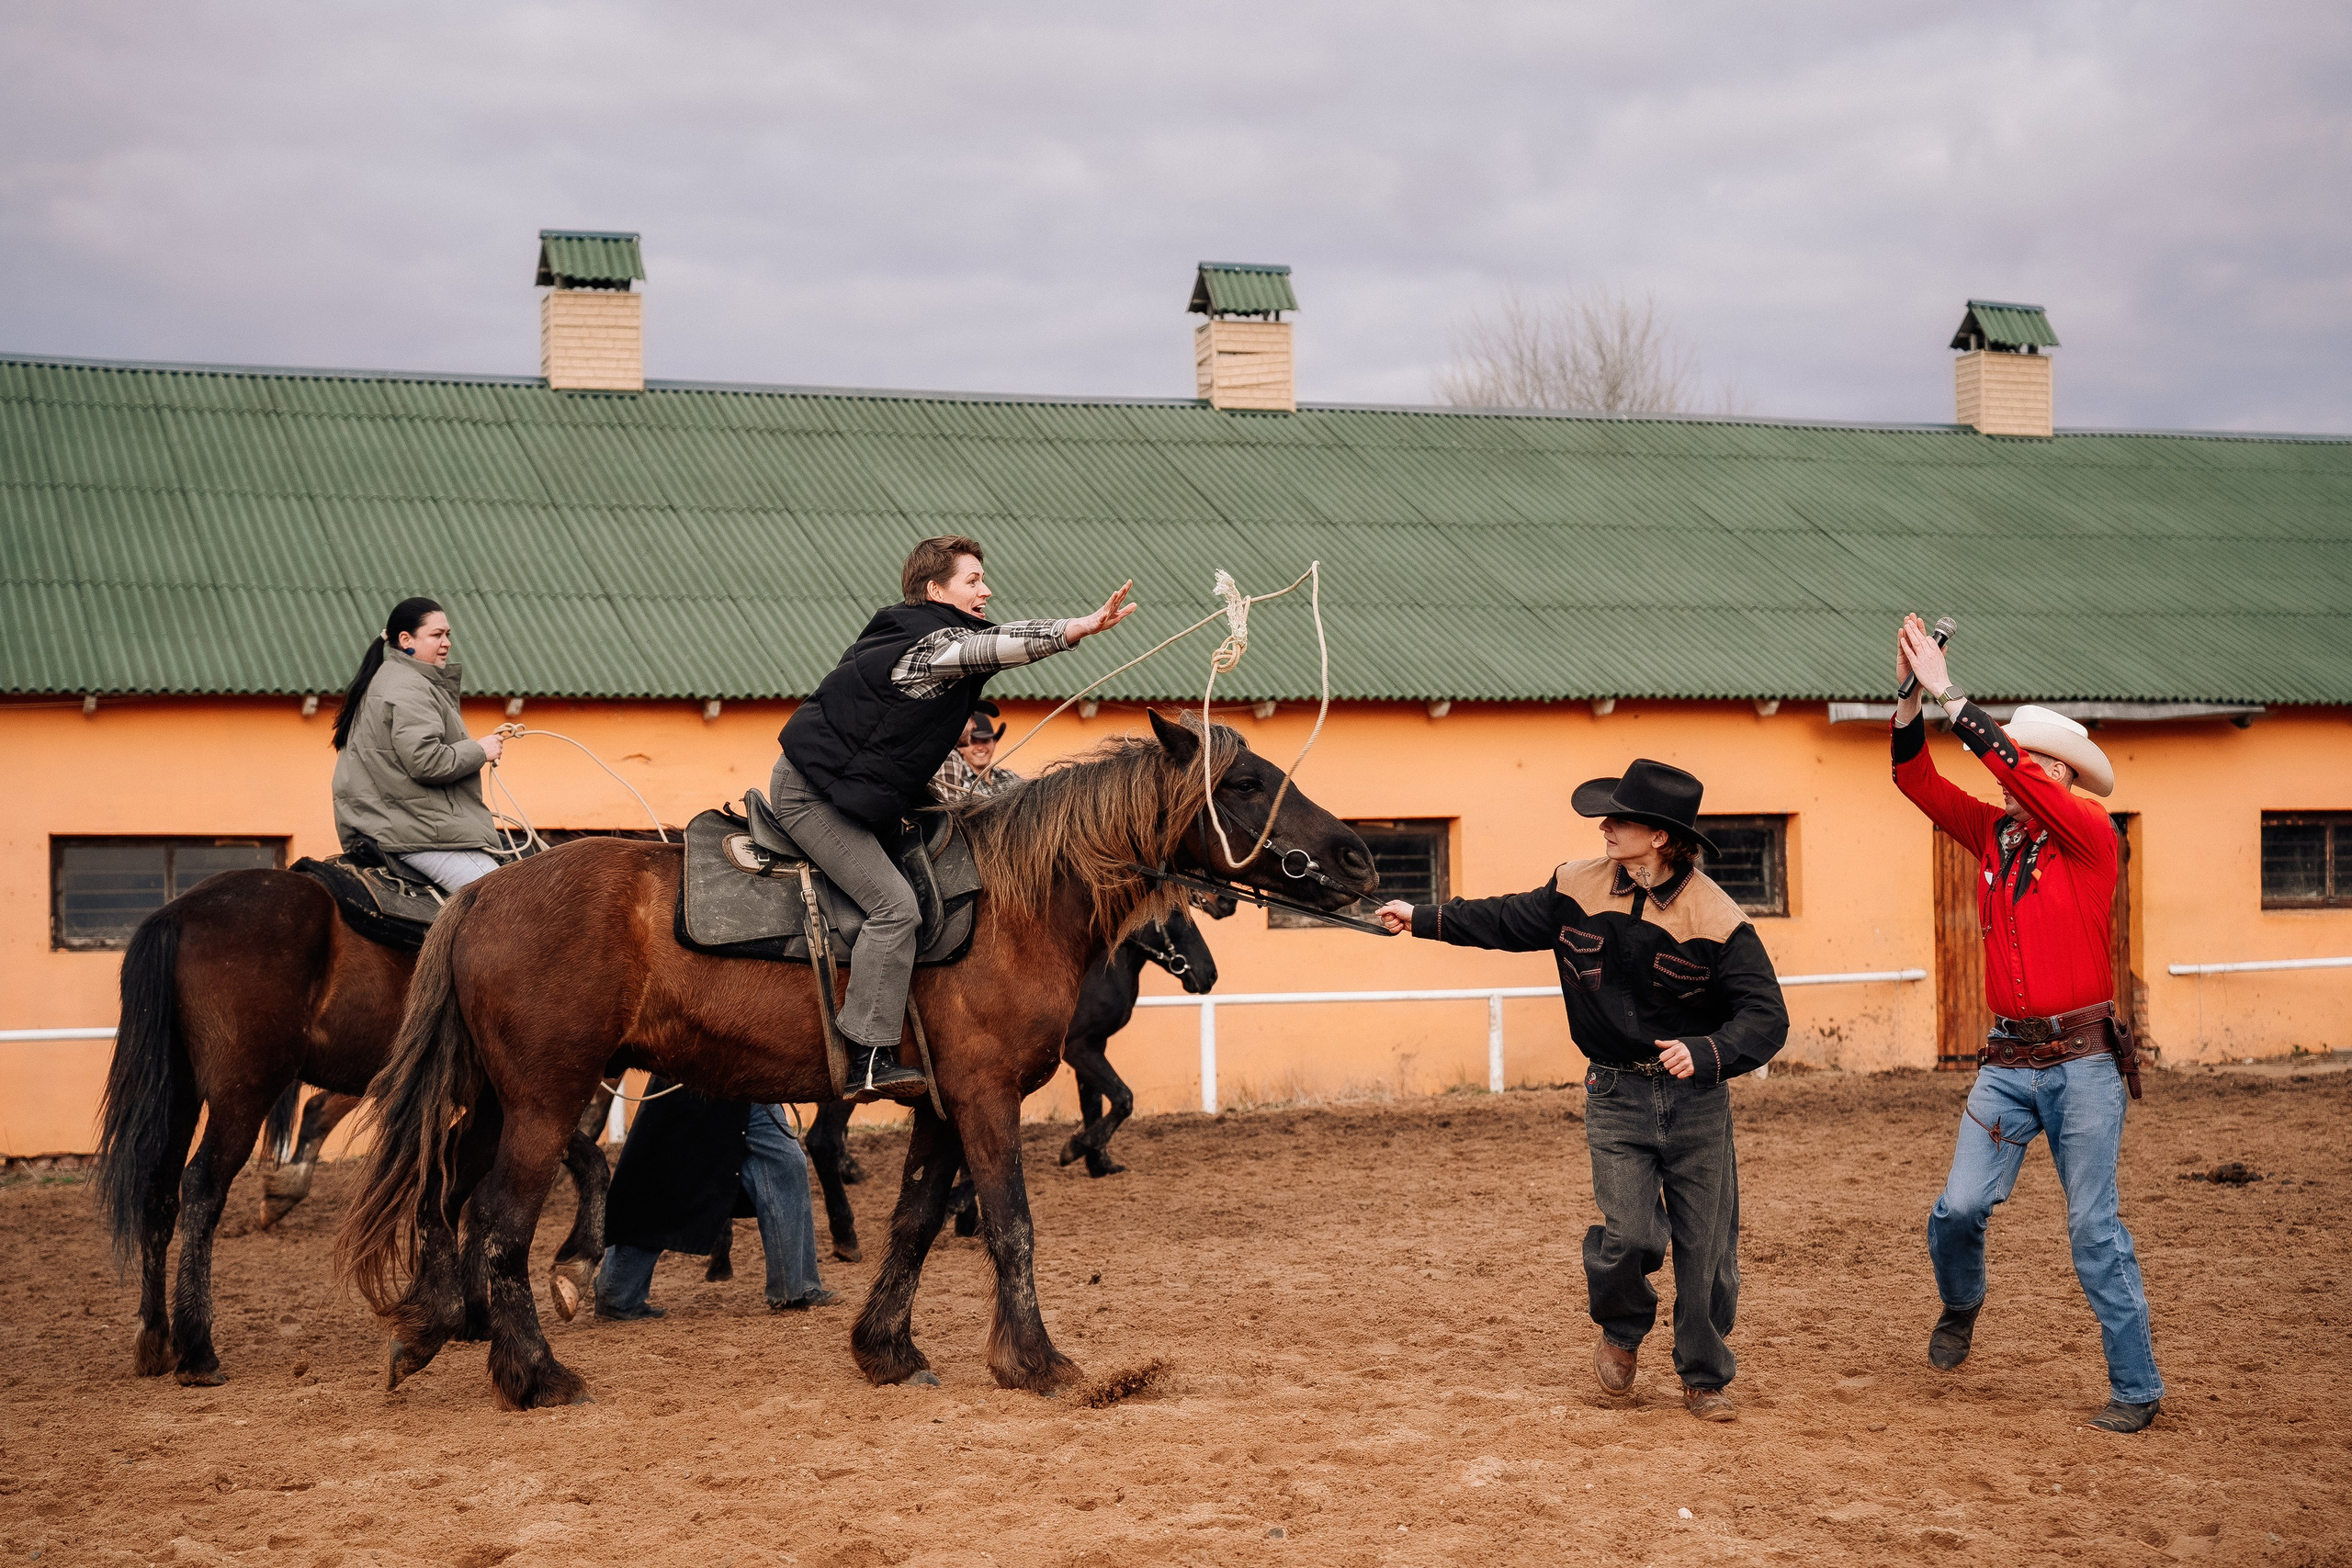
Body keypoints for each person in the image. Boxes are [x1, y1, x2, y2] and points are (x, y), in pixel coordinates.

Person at [1375, 760, 1786, 1423]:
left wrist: (1708, 1050)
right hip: (1614, 1092)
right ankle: (1623, 1330)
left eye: (1620, 818)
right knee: (1626, 1234)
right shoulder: (1575, 883)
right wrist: (1422, 916)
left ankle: (1705, 1377)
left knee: (1707, 1251)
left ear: (1660, 835)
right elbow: (1508, 920)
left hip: (1695, 1102)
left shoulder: (1719, 917)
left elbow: (1766, 1017)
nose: (1605, 825)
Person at [1890, 614, 2163, 1434]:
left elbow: (1997, 761)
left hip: (2082, 1063)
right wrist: (1908, 700)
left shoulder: (2090, 835)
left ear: (2059, 775)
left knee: (2092, 1227)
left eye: (2027, 765)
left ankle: (2137, 1388)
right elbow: (1916, 782)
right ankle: (1962, 1302)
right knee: (1956, 1208)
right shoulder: (1995, 834)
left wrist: (1948, 692)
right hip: (2008, 1061)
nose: (2011, 776)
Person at [775, 536, 1135, 1099]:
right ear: (934, 590)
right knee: (895, 907)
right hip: (813, 795)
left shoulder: (928, 636)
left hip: (855, 791)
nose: (986, 589)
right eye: (972, 581)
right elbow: (988, 648)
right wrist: (1078, 628)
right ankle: (866, 1055)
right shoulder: (927, 645)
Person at [595, 1084, 834, 1320]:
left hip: (751, 1081)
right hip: (695, 1079)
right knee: (663, 1180)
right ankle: (617, 1293)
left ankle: (795, 1287)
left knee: (787, 1164)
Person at [329, 596, 509, 893]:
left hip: (393, 824)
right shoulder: (409, 686)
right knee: (505, 899)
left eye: (448, 634)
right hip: (412, 832)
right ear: (405, 640)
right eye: (436, 635)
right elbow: (426, 761)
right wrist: (481, 750)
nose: (447, 642)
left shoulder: (392, 678)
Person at [931, 702, 1023, 802]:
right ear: (960, 747)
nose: (980, 748)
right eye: (973, 741)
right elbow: (947, 810)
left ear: (994, 742)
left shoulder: (1008, 777)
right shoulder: (953, 771)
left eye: (985, 741)